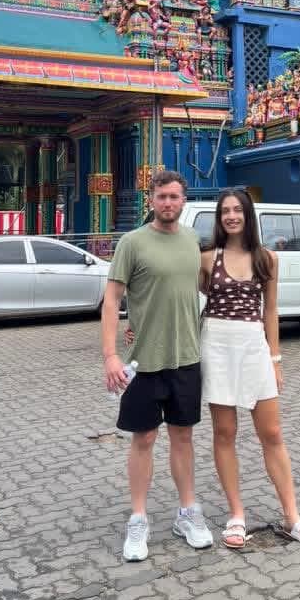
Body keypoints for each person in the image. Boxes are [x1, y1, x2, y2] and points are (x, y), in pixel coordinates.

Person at [199, 187, 300, 551]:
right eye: (225, 211)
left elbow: (271, 311)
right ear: (219, 218)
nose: (232, 216)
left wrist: (275, 359)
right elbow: (187, 297)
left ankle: (292, 517)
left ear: (248, 215)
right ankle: (236, 515)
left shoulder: (267, 259)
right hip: (217, 346)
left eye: (238, 210)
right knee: (224, 432)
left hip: (254, 347)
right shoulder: (207, 259)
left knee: (271, 433)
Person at [101, 170, 213, 563]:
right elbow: (112, 300)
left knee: (183, 438)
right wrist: (111, 355)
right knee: (143, 439)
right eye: (162, 197)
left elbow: (207, 287)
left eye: (175, 197)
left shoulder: (192, 242)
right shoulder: (132, 243)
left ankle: (187, 513)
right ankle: (138, 519)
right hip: (142, 362)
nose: (168, 203)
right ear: (151, 200)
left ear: (184, 201)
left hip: (186, 359)